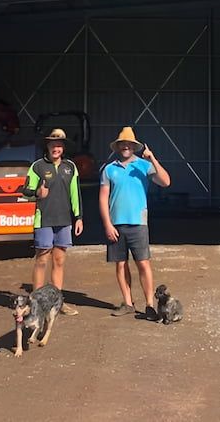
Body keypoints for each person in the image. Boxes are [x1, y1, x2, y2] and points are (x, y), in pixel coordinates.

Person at [98, 126, 171, 319]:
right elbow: (103, 198)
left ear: (134, 146)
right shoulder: (109, 169)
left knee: (143, 264)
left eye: (129, 144)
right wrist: (107, 224)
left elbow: (165, 181)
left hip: (138, 223)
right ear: (118, 146)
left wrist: (152, 158)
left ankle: (149, 305)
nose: (126, 147)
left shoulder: (143, 165)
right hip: (116, 225)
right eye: (122, 144)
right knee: (120, 265)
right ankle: (128, 303)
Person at [23, 128, 83, 315]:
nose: (56, 148)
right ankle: (35, 302)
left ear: (63, 148)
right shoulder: (37, 166)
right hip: (44, 219)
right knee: (42, 259)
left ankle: (57, 302)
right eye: (53, 144)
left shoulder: (70, 167)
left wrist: (78, 217)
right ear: (47, 146)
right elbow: (25, 191)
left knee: (59, 260)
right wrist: (37, 193)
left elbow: (75, 194)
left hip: (64, 220)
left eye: (59, 145)